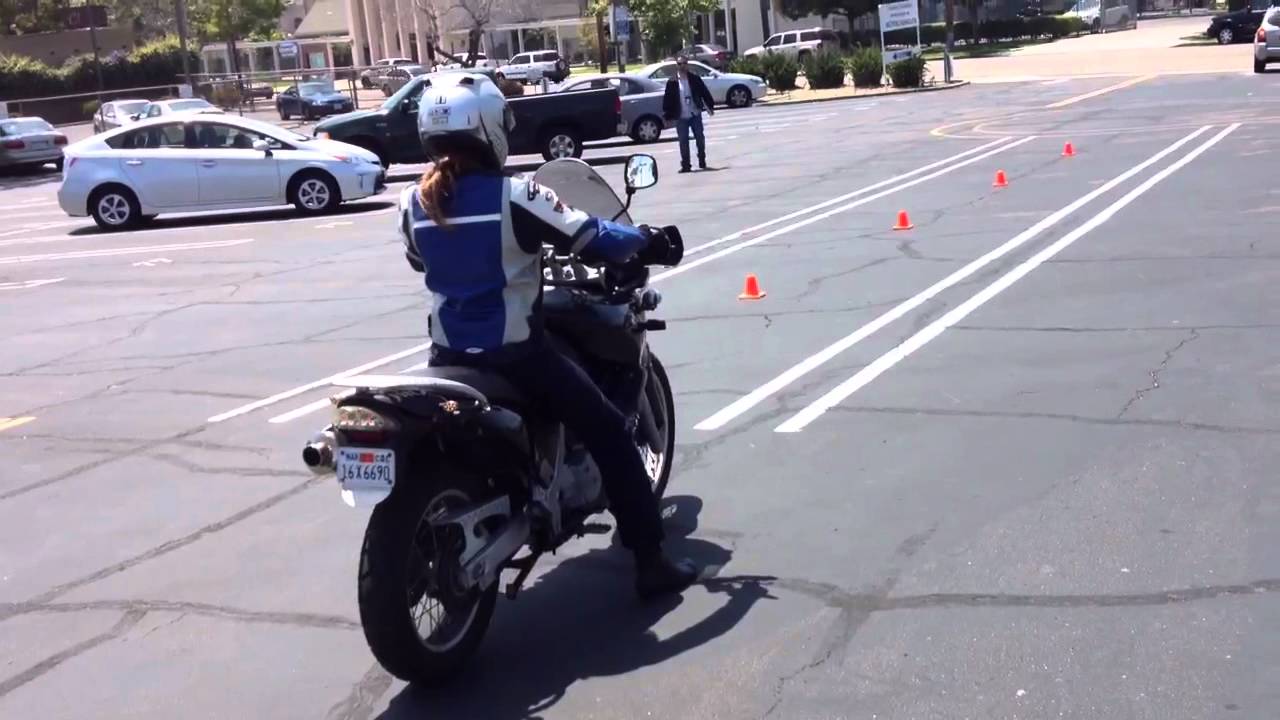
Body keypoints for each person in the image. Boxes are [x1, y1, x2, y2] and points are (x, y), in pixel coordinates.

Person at [397, 72, 699, 600]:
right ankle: (650, 560)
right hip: (517, 357)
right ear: (490, 128)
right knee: (610, 431)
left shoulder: (413, 203)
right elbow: (592, 234)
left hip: (445, 358)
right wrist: (646, 240)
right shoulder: (516, 195)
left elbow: (420, 260)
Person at [662, 55, 716, 173]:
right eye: (679, 64)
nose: (682, 66)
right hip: (681, 116)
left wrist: (710, 106)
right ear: (677, 65)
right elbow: (667, 99)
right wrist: (667, 115)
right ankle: (686, 165)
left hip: (694, 113)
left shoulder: (694, 79)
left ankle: (702, 159)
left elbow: (704, 92)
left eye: (684, 63)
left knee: (700, 138)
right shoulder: (672, 82)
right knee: (683, 141)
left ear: (687, 64)